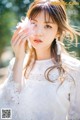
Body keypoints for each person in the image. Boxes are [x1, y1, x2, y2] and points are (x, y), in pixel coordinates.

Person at [0, 0, 80, 120]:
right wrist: (19, 58)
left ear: (58, 31)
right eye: (34, 23)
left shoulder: (73, 69)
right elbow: (5, 110)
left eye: (48, 26)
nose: (38, 32)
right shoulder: (16, 63)